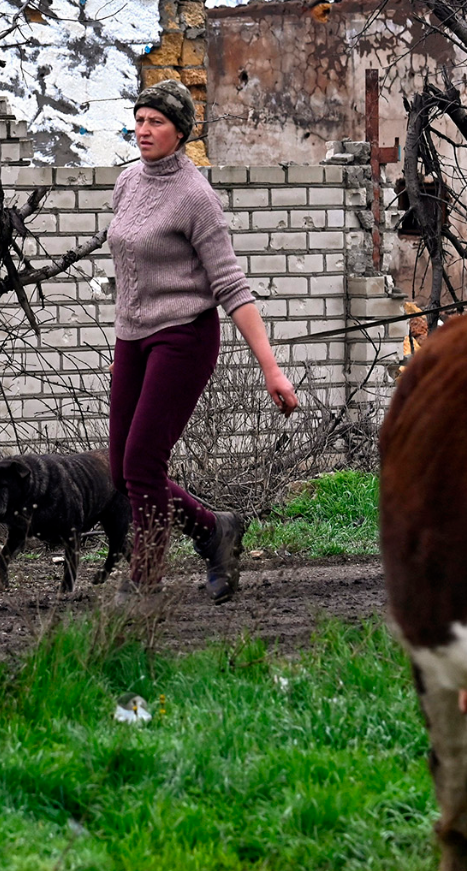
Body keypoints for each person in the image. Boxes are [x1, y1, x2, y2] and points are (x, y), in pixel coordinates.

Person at [108, 79, 298, 604]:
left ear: (182, 132)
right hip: (133, 336)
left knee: (143, 460)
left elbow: (232, 286)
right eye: (140, 119)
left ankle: (144, 578)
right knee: (123, 469)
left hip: (184, 338)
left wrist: (271, 368)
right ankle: (215, 530)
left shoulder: (197, 197)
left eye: (157, 122)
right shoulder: (127, 182)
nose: (144, 130)